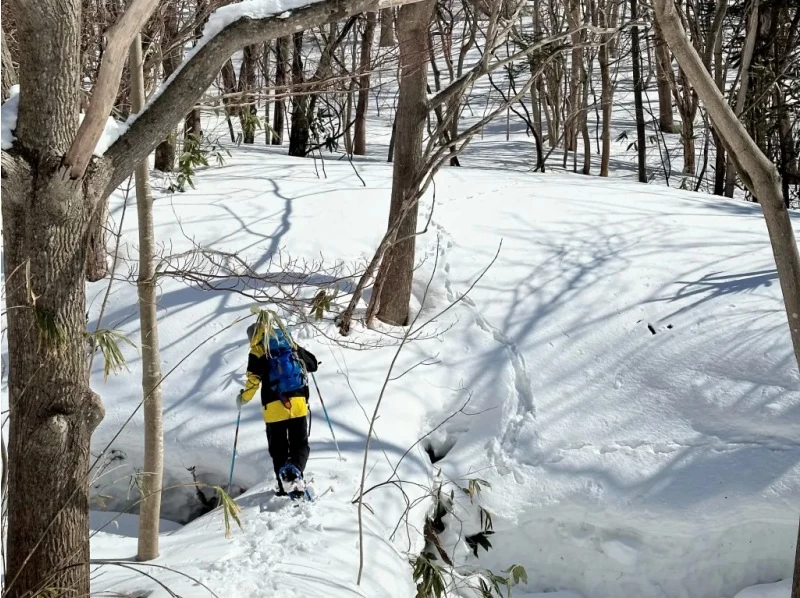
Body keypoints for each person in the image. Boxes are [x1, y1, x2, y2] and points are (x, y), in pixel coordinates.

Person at [237, 322, 318, 496]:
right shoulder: (289, 345)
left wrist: (243, 398)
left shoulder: (258, 351)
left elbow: (253, 382)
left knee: (278, 448)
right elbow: (313, 365)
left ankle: (284, 487)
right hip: (298, 405)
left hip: (274, 409)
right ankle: (295, 470)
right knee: (300, 444)